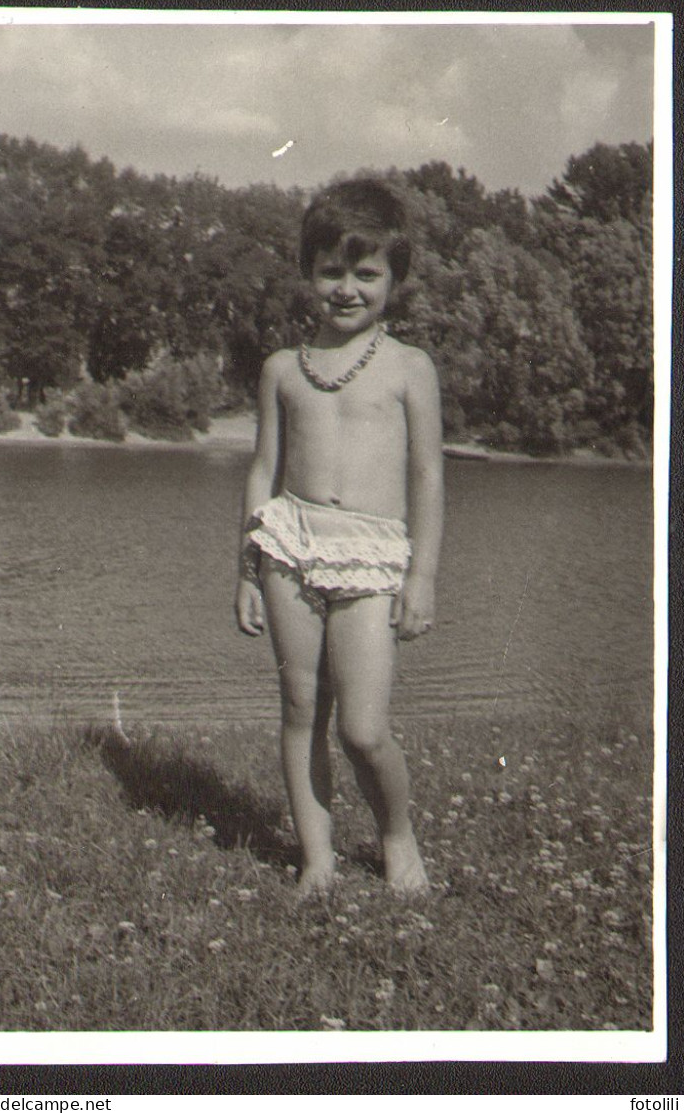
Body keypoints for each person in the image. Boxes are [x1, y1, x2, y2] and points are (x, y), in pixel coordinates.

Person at [235, 178, 443, 896]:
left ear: (395, 279)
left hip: (372, 556)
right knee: (300, 708)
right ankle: (316, 859)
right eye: (330, 271)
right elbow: (263, 467)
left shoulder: (410, 369)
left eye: (366, 273)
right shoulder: (281, 370)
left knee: (361, 728)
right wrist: (245, 567)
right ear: (306, 274)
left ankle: (395, 835)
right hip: (288, 546)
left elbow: (426, 477)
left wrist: (420, 577)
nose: (346, 288)